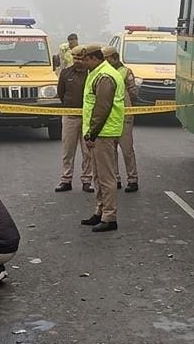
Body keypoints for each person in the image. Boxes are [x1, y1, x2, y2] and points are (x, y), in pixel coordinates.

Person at [75, 44, 124, 232]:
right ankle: (100, 212)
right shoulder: (96, 73)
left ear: (94, 58)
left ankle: (110, 217)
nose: (82, 62)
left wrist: (92, 134)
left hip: (103, 133)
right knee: (98, 176)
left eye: (85, 59)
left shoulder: (105, 76)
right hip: (99, 132)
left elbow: (102, 108)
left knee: (106, 178)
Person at [55, 51, 94, 193]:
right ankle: (66, 180)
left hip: (87, 117)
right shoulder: (65, 73)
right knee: (68, 150)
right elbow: (61, 93)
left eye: (81, 58)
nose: (78, 61)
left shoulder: (92, 74)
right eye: (76, 58)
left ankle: (87, 180)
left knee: (87, 151)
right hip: (70, 116)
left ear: (86, 59)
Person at [103, 46, 139, 192]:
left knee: (127, 150)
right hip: (109, 117)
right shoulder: (103, 72)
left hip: (124, 117)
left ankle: (132, 179)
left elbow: (133, 92)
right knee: (111, 151)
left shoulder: (126, 72)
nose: (105, 61)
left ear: (115, 58)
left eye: (107, 58)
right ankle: (116, 178)